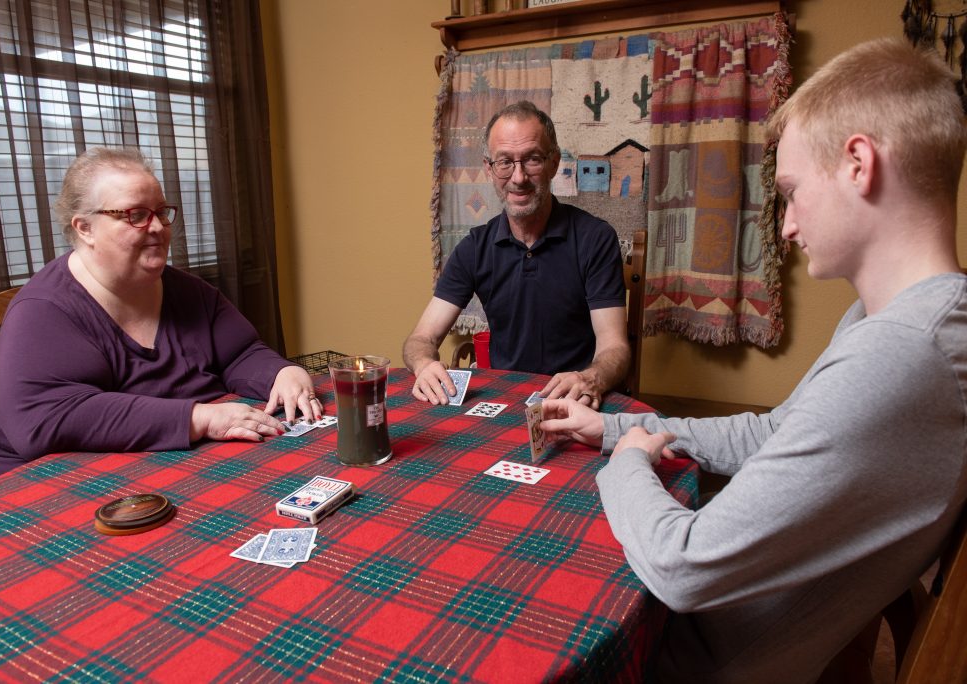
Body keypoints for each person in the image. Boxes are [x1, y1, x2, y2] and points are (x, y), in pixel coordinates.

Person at [538, 38, 967, 683]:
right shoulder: (893, 319)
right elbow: (774, 432)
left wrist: (627, 465)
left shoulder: (903, 355)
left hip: (684, 658)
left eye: (791, 191)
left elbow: (684, 565)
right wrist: (616, 430)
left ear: (859, 164)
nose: (787, 226)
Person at [0, 147, 320, 498]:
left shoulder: (191, 293)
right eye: (136, 215)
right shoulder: (43, 311)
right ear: (85, 228)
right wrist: (199, 419)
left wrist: (280, 373)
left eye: (161, 212)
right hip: (24, 491)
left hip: (146, 472)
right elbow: (46, 420)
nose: (157, 226)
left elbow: (240, 353)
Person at [403, 101, 630, 409]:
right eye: (504, 162)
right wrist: (424, 365)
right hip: (502, 401)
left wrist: (592, 378)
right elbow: (421, 339)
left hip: (577, 400)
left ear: (553, 163)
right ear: (489, 168)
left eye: (532, 160)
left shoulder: (595, 239)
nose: (519, 177)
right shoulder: (474, 248)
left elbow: (614, 347)